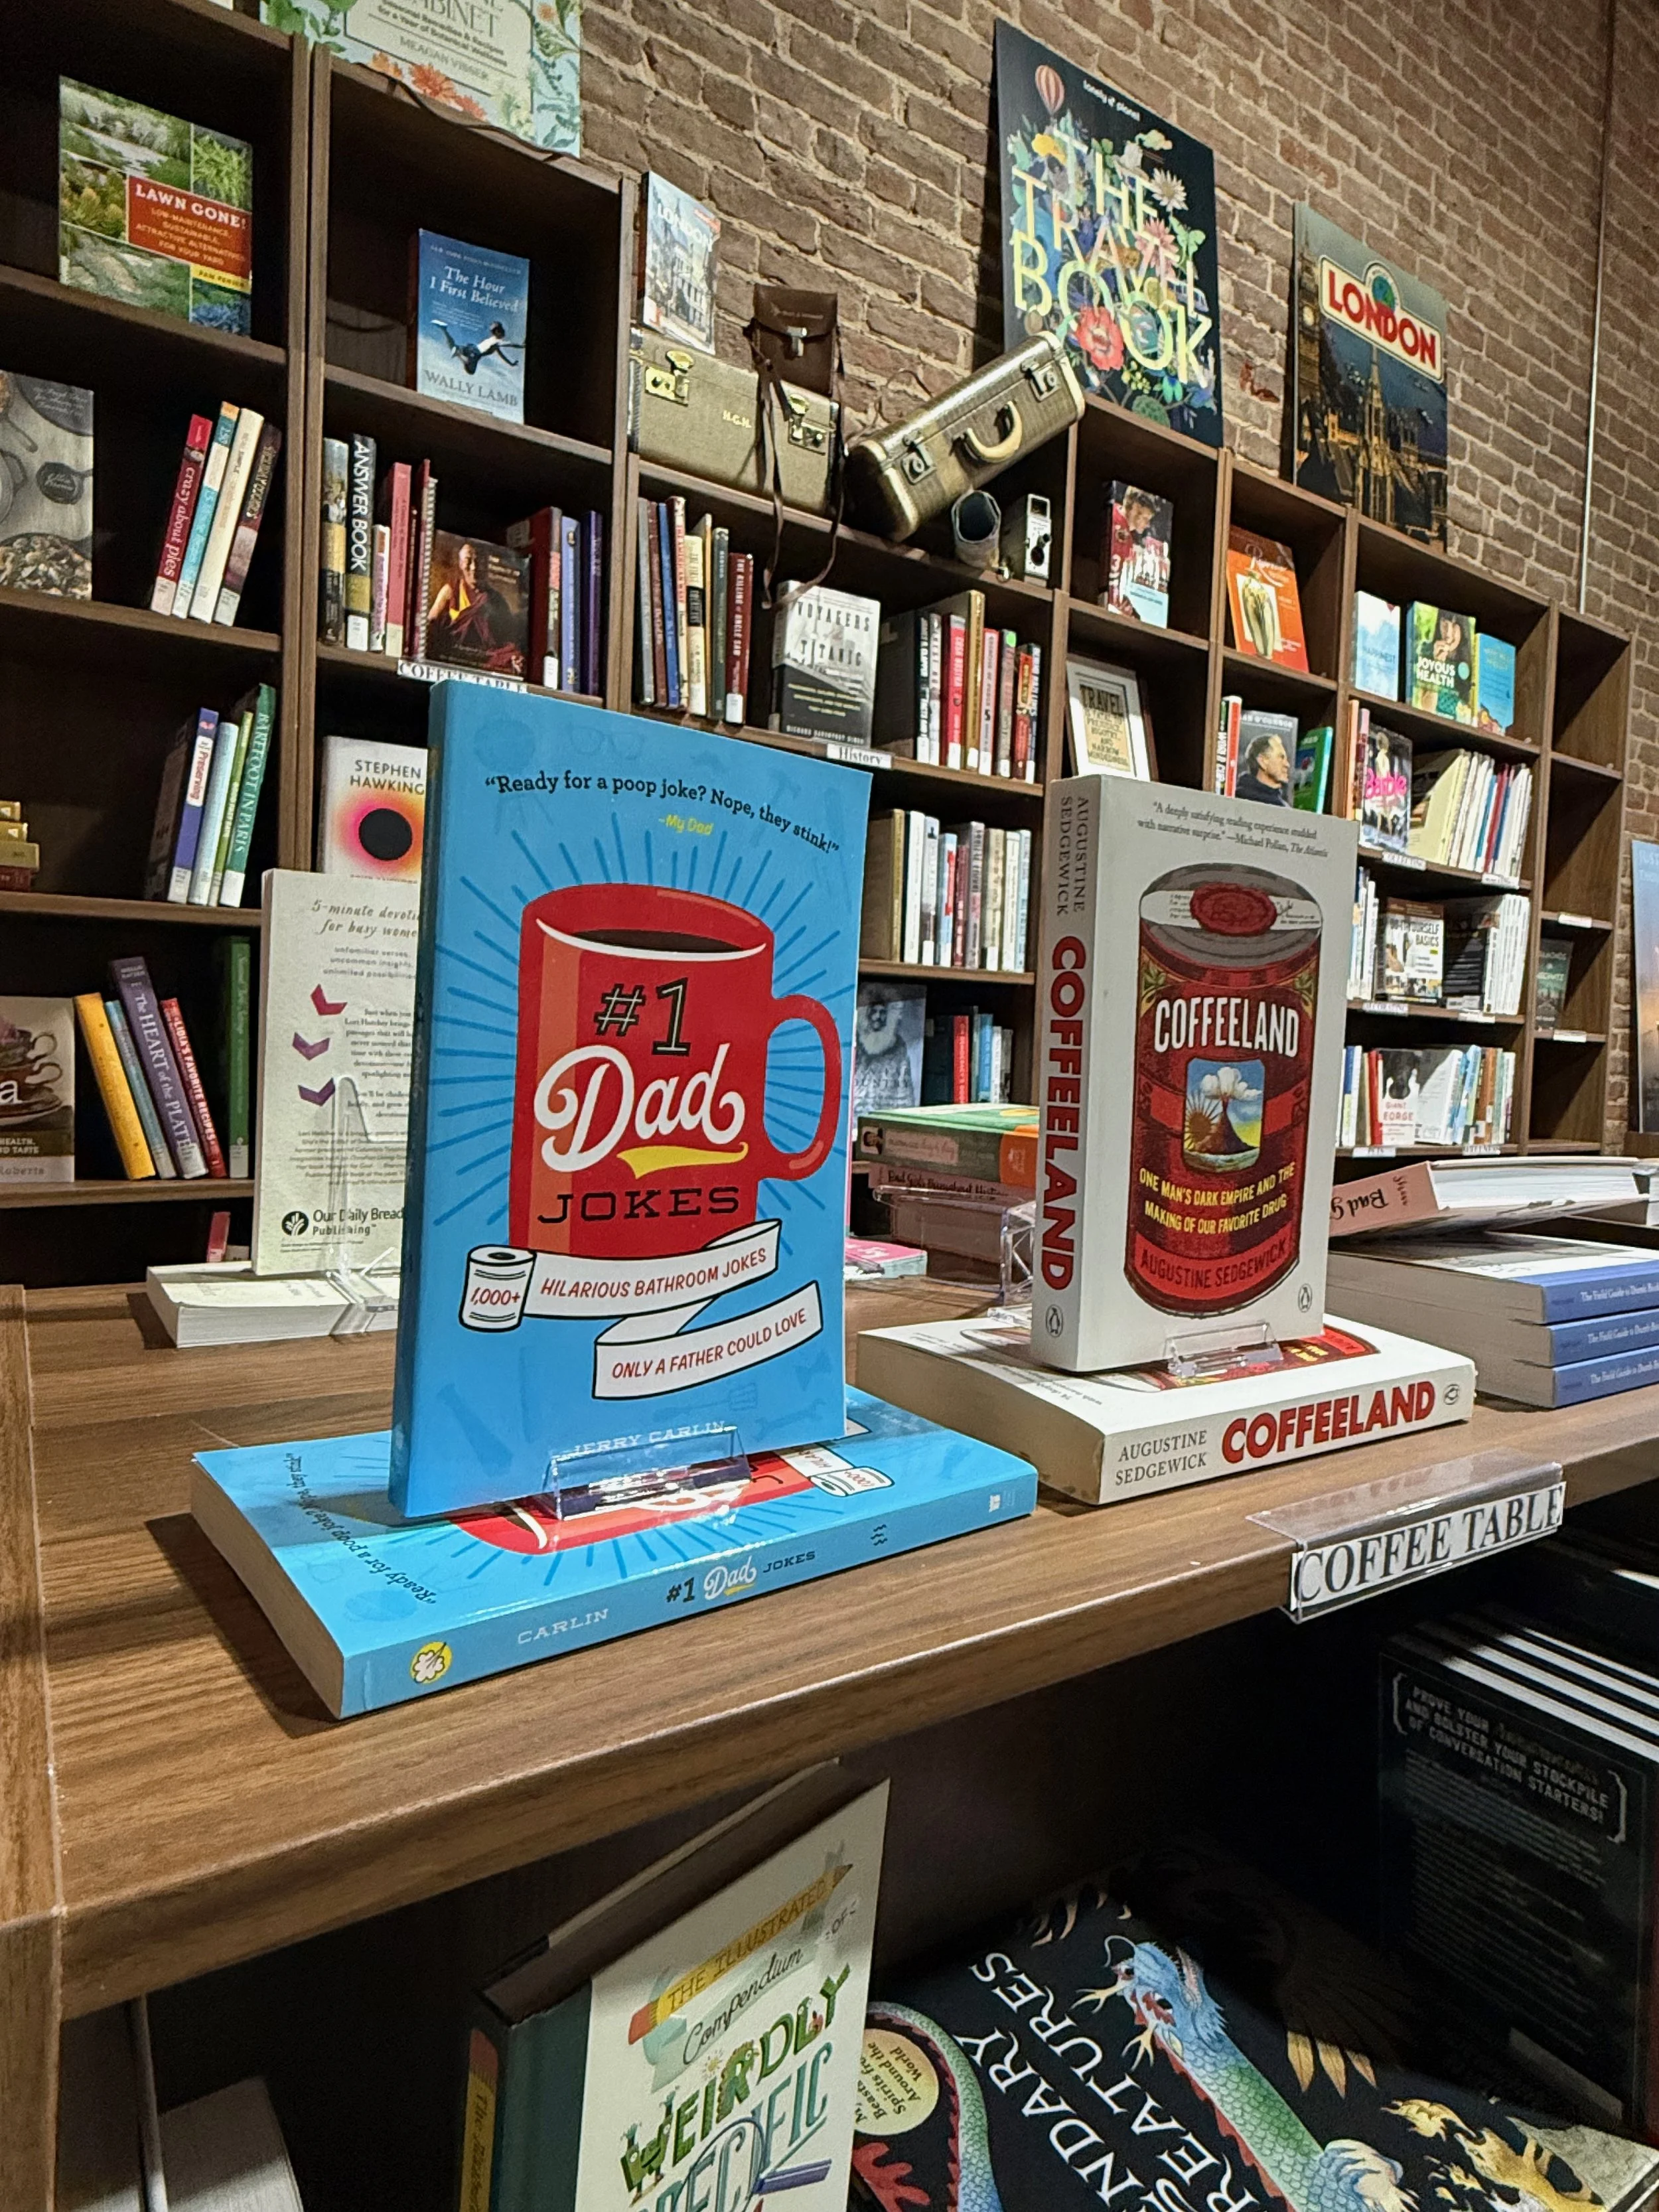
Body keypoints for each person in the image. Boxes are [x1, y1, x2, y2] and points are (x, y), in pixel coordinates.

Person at [427, 540, 522, 673]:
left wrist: (514, 658)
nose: (474, 567)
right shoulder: (451, 591)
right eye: (468, 561)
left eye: (480, 561)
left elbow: (508, 640)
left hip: (485, 661)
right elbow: (430, 626)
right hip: (455, 658)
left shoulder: (496, 599)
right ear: (460, 564)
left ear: (487, 565)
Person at [432, 319, 521, 378]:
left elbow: (502, 356)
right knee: (471, 371)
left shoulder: (493, 342)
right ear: (497, 332)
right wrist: (521, 346)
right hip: (475, 353)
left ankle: (444, 329)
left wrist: (511, 364)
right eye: (502, 330)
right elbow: (510, 344)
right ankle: (458, 354)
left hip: (472, 347)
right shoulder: (497, 342)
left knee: (452, 346)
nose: (504, 332)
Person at [1235, 726, 1293, 806]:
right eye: (1281, 757)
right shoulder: (1241, 798)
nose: (1287, 765)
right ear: (1262, 761)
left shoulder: (1283, 805)